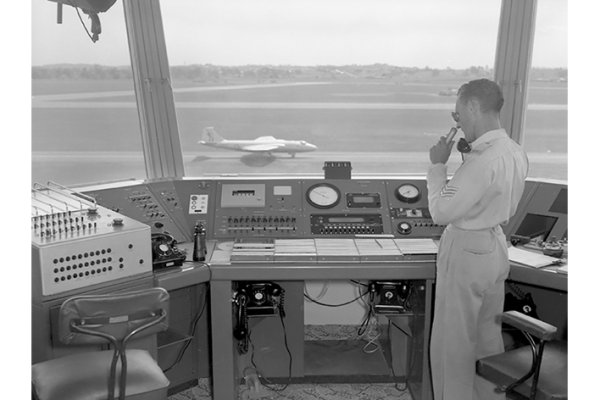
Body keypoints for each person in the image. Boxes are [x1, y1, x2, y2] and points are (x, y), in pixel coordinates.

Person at [426, 78, 529, 400]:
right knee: (487, 338)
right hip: (495, 248)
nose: (457, 121)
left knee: (453, 343)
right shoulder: (513, 151)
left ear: (473, 107)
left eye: (459, 113)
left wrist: (437, 166)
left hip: (467, 251)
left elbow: (441, 212)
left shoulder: (482, 161)